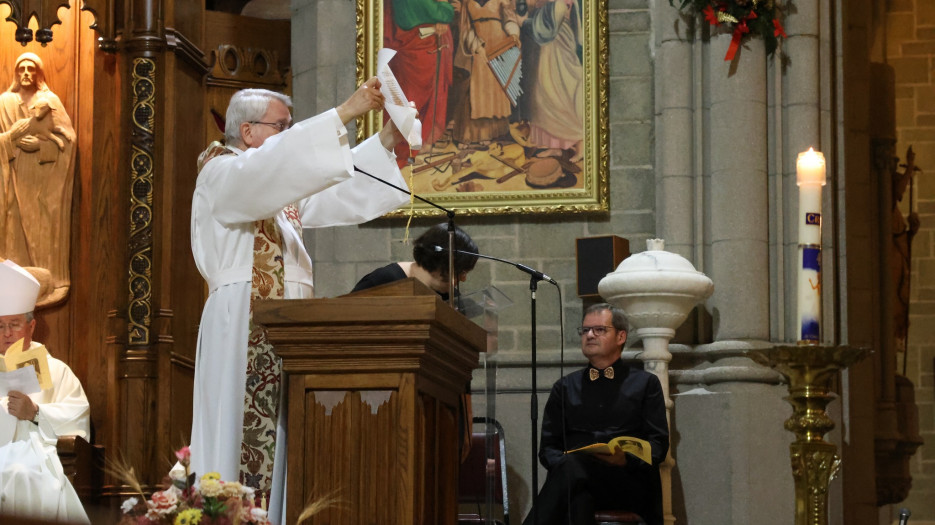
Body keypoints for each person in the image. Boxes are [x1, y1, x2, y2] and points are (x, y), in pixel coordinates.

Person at [189, 79, 411, 523]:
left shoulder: (275, 186)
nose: (289, 135)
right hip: (240, 323)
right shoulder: (221, 171)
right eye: (281, 126)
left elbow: (333, 187)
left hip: (288, 329)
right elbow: (271, 171)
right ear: (247, 131)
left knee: (282, 441)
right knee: (236, 433)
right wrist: (345, 110)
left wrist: (386, 139)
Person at [523, 303, 668, 525]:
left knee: (573, 473)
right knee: (578, 495)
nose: (589, 335)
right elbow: (548, 449)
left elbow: (658, 445)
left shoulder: (646, 383)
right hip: (576, 480)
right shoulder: (564, 387)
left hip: (628, 484)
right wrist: (565, 464)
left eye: (599, 330)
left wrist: (626, 459)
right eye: (585, 330)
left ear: (621, 336)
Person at [0, 260, 90, 523]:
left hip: (33, 458)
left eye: (14, 324)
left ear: (31, 327)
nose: (7, 334)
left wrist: (36, 412)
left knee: (20, 473)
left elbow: (78, 418)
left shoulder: (56, 370)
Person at [0, 53, 77, 306]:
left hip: (40, 185)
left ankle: (45, 281)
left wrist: (42, 147)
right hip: (9, 181)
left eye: (31, 69)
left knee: (40, 228)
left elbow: (68, 140)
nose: (25, 73)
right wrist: (11, 139)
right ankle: (13, 288)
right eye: (21, 68)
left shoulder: (49, 100)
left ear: (38, 74)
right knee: (12, 229)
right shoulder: (4, 103)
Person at [352, 223, 479, 300]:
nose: (463, 279)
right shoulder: (383, 280)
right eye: (461, 272)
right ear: (439, 264)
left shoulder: (450, 296)